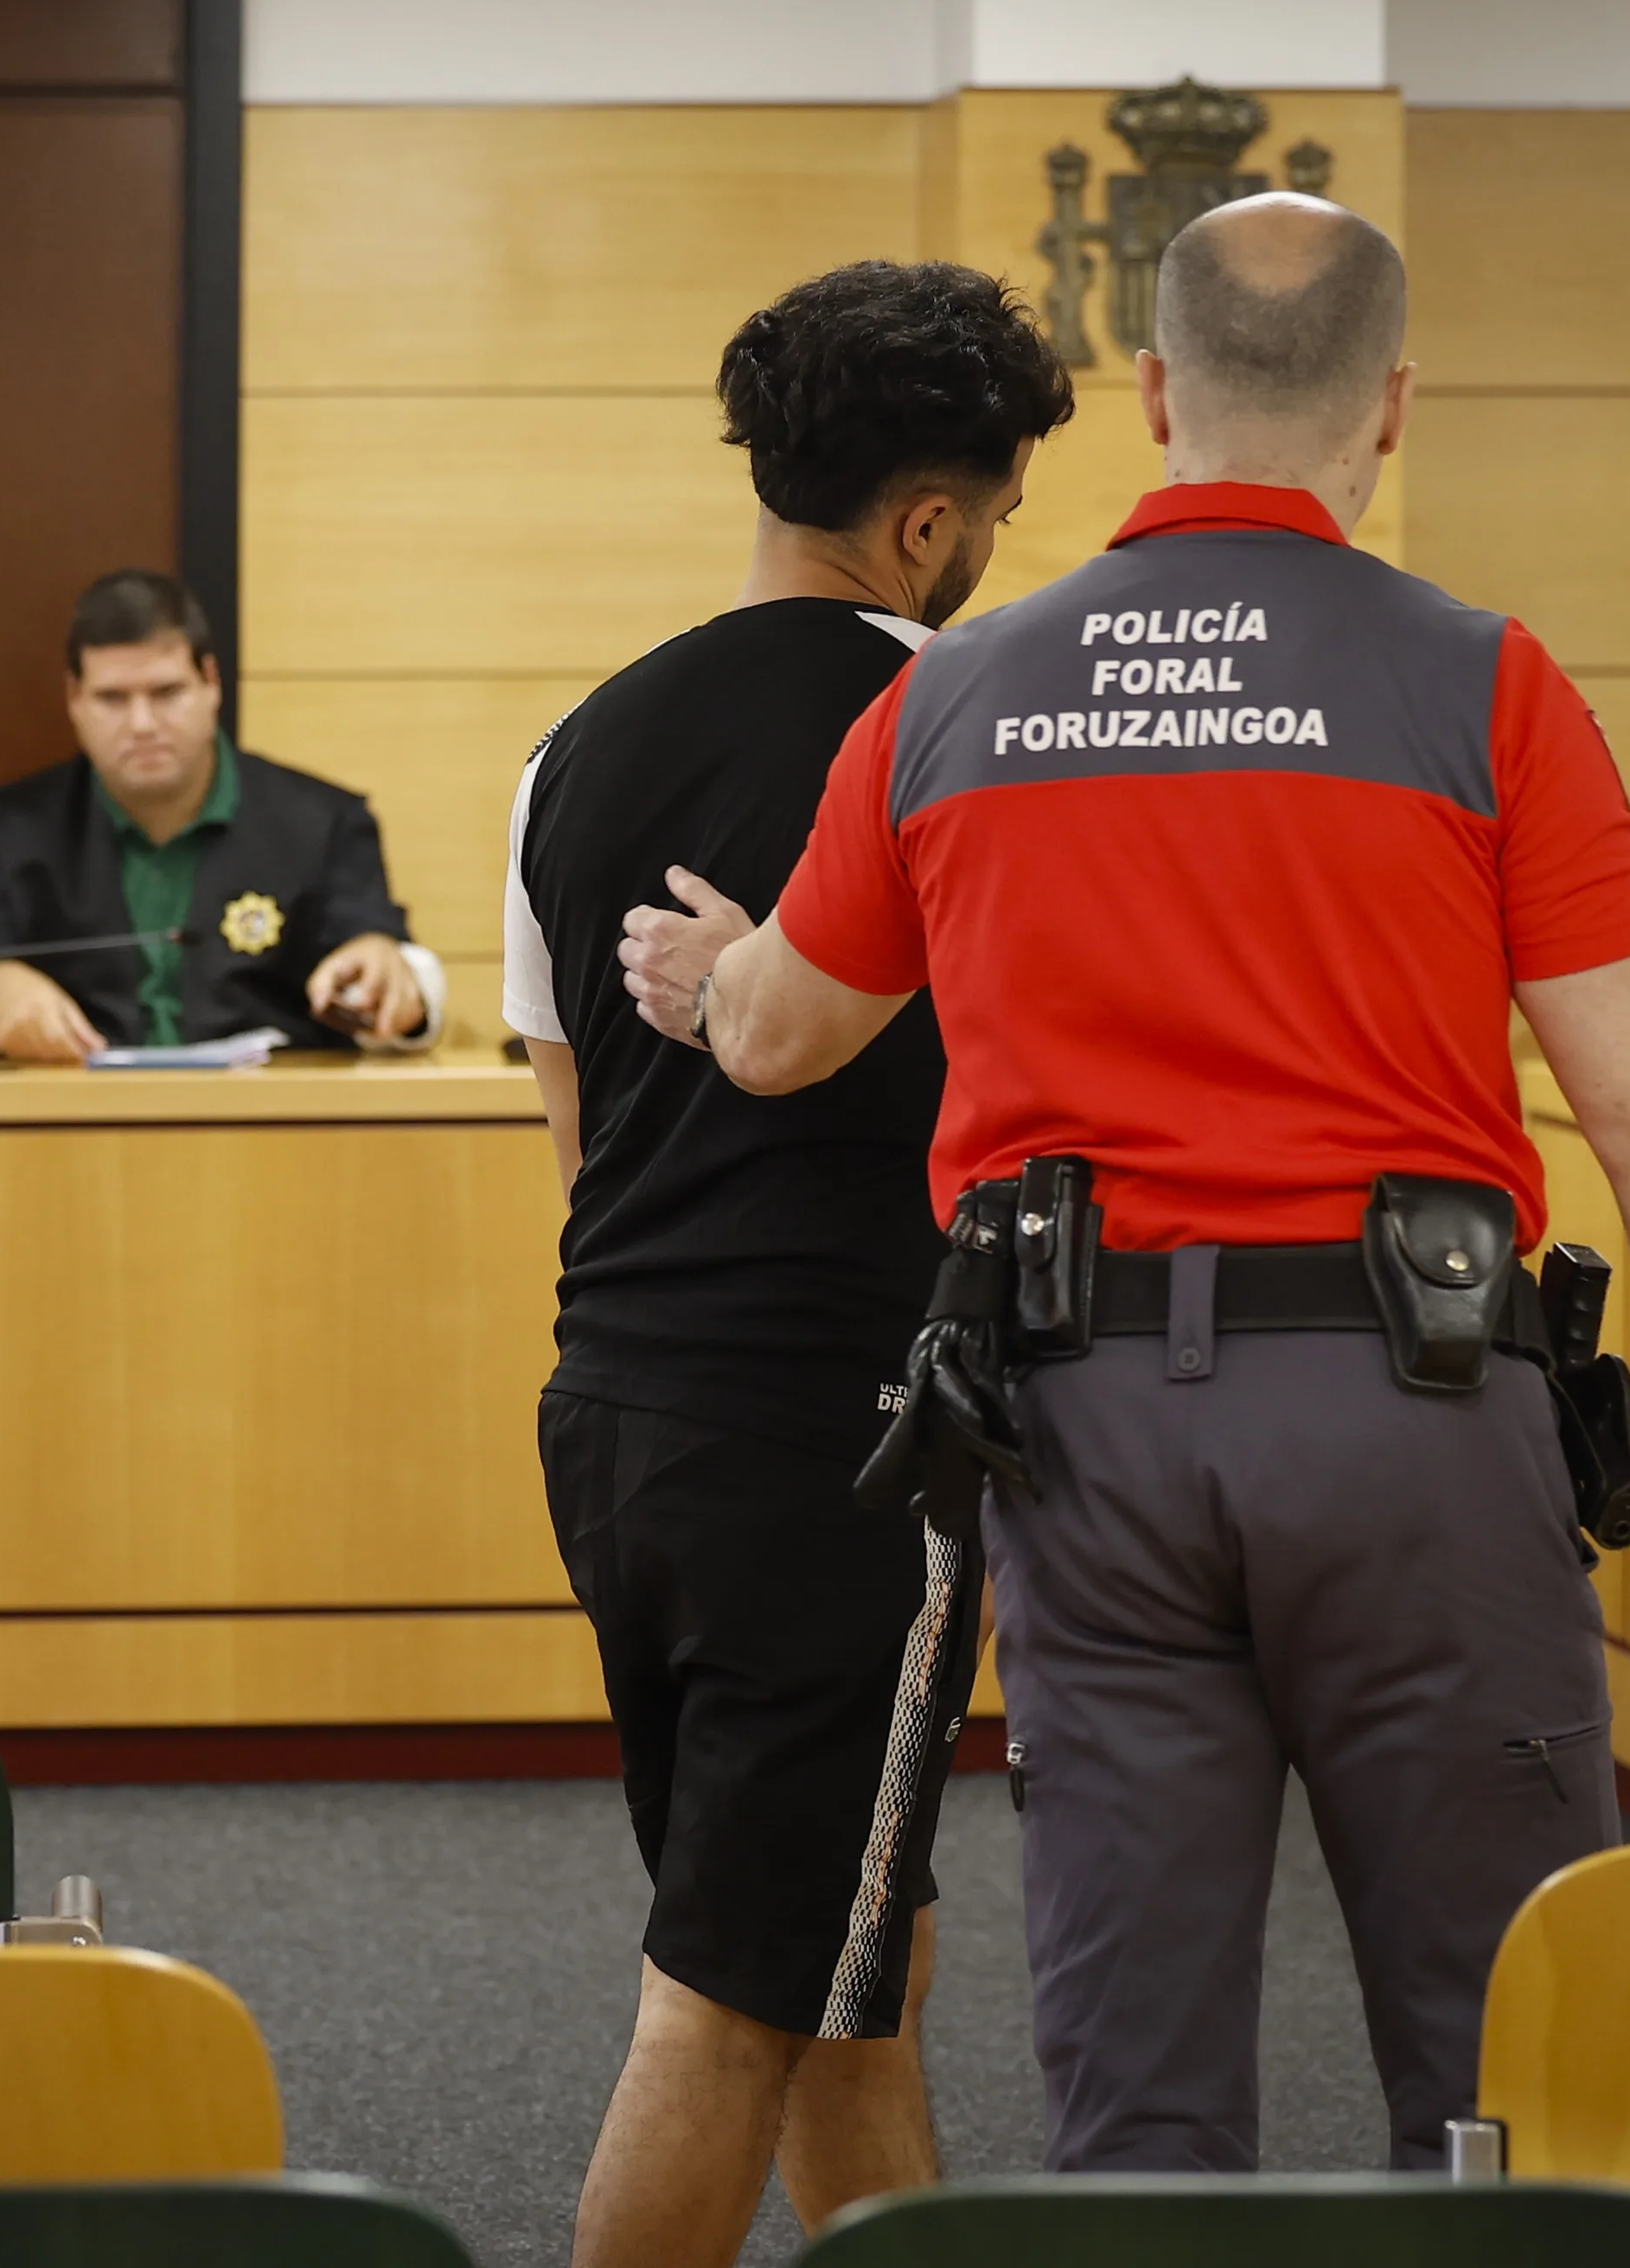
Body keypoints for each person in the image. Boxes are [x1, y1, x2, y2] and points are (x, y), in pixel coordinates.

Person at [619, 193, 1630, 2173]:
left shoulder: (949, 694)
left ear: (1156, 391)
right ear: (1391, 405)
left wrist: (717, 957)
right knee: (1507, 2045)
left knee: (1139, 2090)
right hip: (1422, 1418)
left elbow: (772, 1032)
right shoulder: (1481, 683)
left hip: (1086, 1436)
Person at [512, 263, 1072, 2258]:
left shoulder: (571, 748)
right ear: (926, 522)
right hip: (831, 1445)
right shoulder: (954, 721)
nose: (989, 556)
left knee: (848, 1949)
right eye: (992, 518)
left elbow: (572, 1132)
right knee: (735, 1996)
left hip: (610, 1413)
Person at [0, 569, 444, 1060]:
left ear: (211, 683)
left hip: (273, 1127)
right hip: (73, 1130)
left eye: (166, 693)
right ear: (74, 699)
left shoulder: (322, 821)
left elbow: (406, 971)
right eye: (113, 699)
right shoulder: (11, 827)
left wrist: (392, 976)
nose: (142, 724)